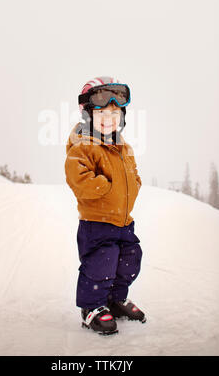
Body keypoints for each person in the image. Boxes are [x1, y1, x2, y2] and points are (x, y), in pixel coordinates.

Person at [64, 76, 146, 335]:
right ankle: (92, 307)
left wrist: (134, 184)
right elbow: (78, 179)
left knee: (129, 260)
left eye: (114, 114)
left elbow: (133, 175)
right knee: (101, 263)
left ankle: (115, 299)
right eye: (102, 114)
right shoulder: (82, 146)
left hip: (123, 220)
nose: (109, 119)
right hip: (96, 223)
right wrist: (108, 187)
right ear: (88, 114)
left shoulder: (124, 147)